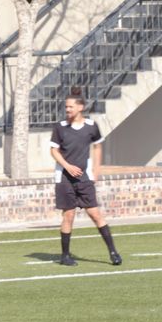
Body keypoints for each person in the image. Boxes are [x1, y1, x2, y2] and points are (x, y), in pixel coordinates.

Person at [49, 87, 122, 267]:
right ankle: (65, 256)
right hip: (64, 179)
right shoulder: (60, 127)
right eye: (66, 107)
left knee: (95, 214)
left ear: (80, 107)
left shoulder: (91, 126)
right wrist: (67, 166)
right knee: (68, 216)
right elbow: (53, 150)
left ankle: (113, 252)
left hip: (84, 178)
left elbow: (97, 146)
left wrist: (96, 170)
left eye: (70, 107)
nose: (67, 110)